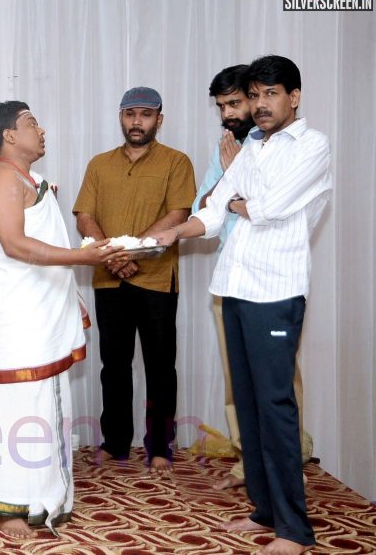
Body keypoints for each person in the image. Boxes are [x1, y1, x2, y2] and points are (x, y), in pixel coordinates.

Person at [153, 55, 329, 555]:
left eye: (270, 94)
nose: (260, 104)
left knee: (275, 407)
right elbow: (212, 210)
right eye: (254, 95)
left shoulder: (312, 145)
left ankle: (295, 530)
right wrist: (169, 233)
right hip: (235, 287)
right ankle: (265, 510)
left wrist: (236, 201)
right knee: (249, 406)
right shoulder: (251, 144)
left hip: (275, 292)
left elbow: (269, 208)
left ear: (293, 97)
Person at [0, 101, 124, 539]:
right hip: (19, 316)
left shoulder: (30, 180)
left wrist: (68, 295)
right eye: (31, 123)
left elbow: (37, 245)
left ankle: (42, 498)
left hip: (40, 311)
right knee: (20, 407)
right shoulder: (1, 177)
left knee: (47, 403)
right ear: (9, 135)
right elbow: (15, 245)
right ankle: (6, 507)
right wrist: (82, 256)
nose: (42, 129)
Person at [196, 65, 313, 491]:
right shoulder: (225, 146)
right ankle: (250, 464)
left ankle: (289, 460)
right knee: (237, 379)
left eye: (235, 103)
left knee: (278, 383)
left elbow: (268, 205)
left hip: (273, 282)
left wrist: (236, 187)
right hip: (230, 274)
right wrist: (230, 183)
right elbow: (206, 204)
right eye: (222, 106)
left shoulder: (295, 147)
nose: (228, 113)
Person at [73, 87, 196, 472]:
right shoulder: (99, 164)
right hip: (109, 279)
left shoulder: (176, 162)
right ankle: (115, 442)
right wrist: (113, 257)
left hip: (157, 278)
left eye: (145, 114)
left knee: (160, 364)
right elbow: (84, 217)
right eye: (130, 114)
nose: (136, 122)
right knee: (114, 364)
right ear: (121, 117)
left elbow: (178, 215)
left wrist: (132, 252)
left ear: (159, 118)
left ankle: (160, 445)